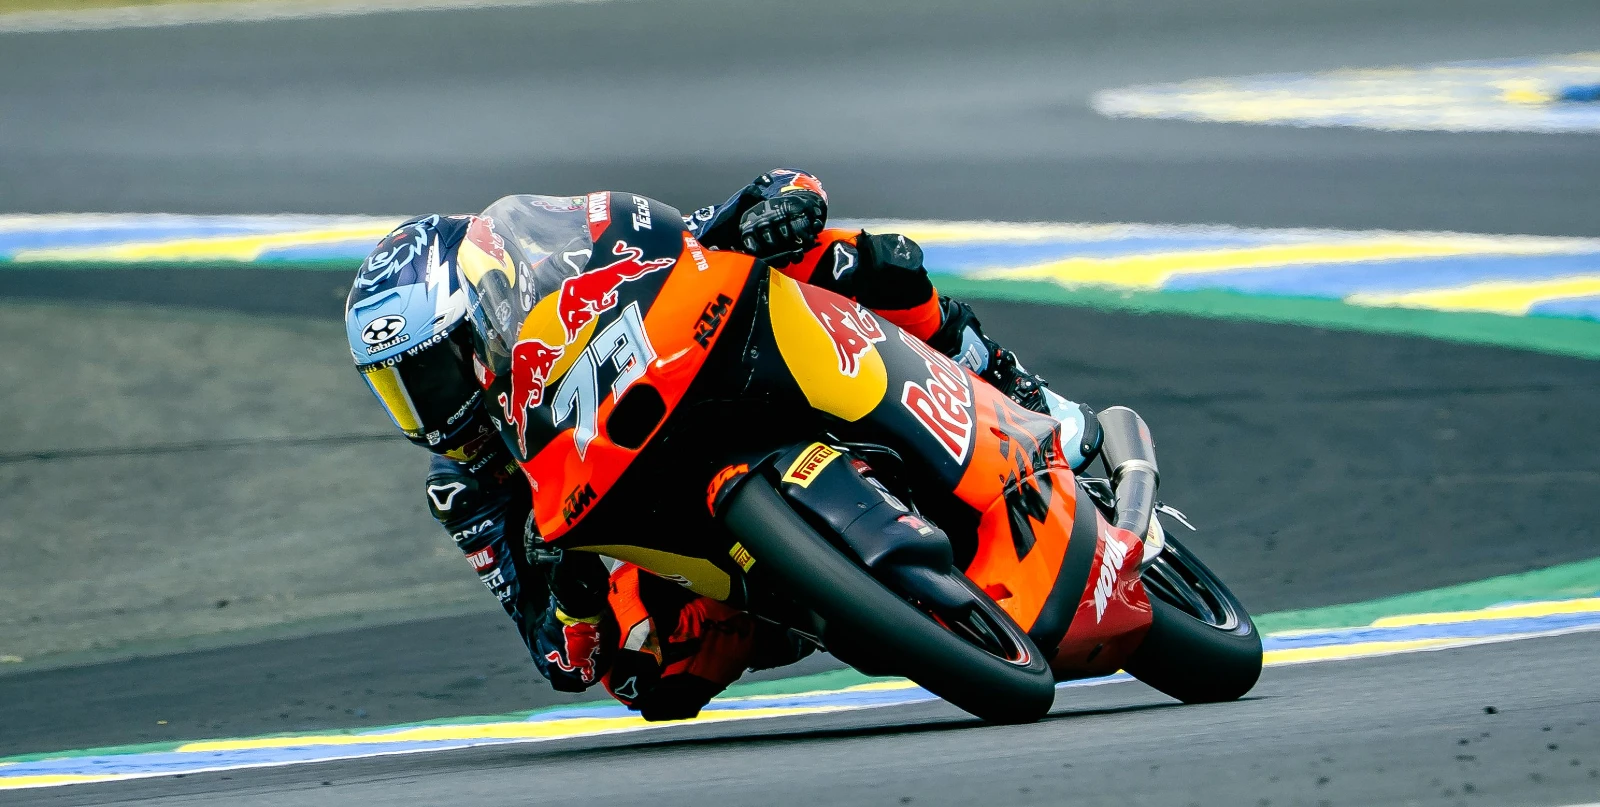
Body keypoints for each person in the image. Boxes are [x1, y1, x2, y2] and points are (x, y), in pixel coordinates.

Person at [343, 169, 1097, 720]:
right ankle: (808, 597)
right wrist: (570, 597)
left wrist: (778, 206)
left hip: (688, 375)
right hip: (658, 536)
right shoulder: (466, 486)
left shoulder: (561, 260)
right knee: (643, 677)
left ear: (486, 309)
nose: (426, 408)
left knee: (833, 254)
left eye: (430, 375)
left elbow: (721, 216)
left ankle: (1009, 382)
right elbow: (560, 662)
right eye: (396, 389)